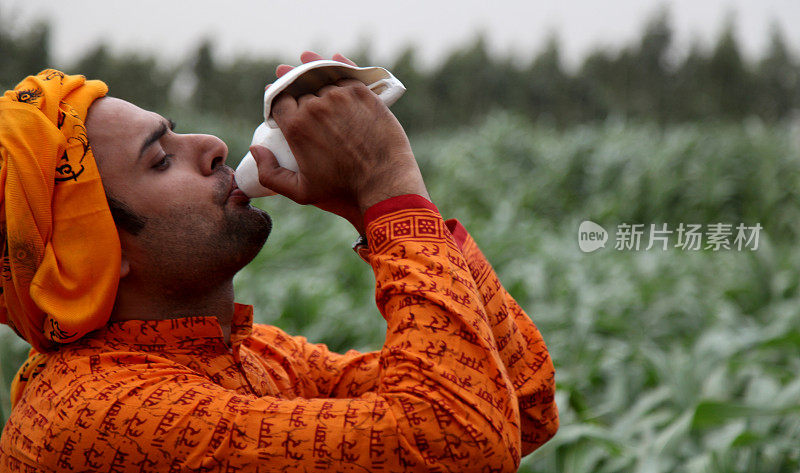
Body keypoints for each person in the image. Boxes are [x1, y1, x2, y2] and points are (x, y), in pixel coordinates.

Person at [0, 51, 558, 472]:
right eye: (162, 159)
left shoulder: (256, 355)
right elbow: (459, 443)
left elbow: (520, 401)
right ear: (86, 255)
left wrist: (376, 213)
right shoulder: (101, 414)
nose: (213, 145)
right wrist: (390, 189)